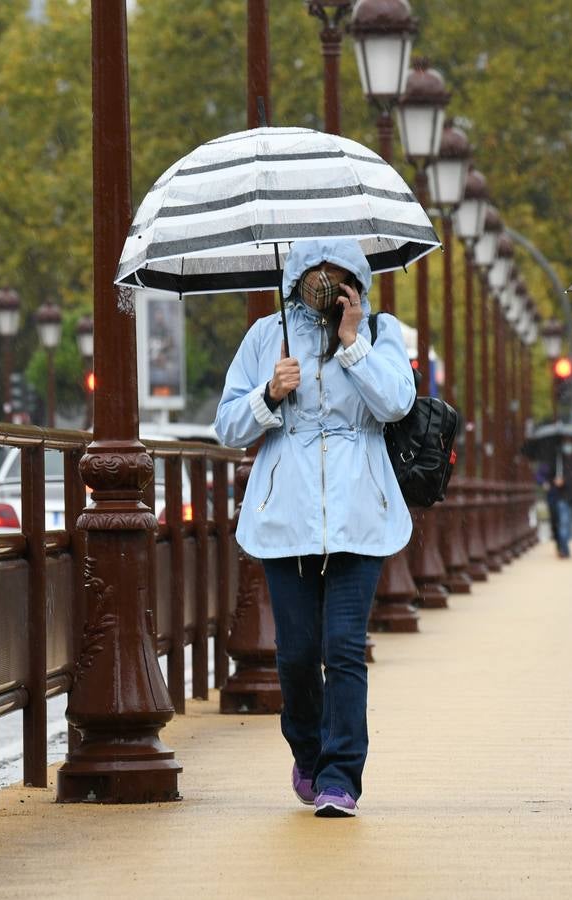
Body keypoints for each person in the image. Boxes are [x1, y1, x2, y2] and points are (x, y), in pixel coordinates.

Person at [213, 238, 415, 819]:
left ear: (356, 276)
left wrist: (352, 346)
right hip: (286, 516)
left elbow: (397, 404)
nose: (326, 283)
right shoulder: (264, 337)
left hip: (360, 513)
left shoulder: (380, 332)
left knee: (344, 648)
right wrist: (268, 393)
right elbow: (226, 425)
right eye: (315, 272)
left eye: (338, 272)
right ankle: (308, 751)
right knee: (297, 652)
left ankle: (341, 777)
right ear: (297, 276)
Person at [534, 460, 561, 544]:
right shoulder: (547, 464)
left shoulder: (567, 462)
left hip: (566, 494)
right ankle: (557, 535)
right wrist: (544, 483)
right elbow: (538, 476)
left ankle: (562, 537)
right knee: (554, 516)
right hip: (552, 494)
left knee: (564, 517)